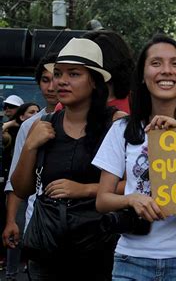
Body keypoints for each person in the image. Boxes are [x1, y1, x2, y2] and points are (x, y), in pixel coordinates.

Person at [93, 34, 176, 280]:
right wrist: (132, 199)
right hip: (131, 259)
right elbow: (102, 200)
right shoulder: (122, 130)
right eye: (156, 63)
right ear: (142, 74)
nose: (167, 71)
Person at [11, 38, 125, 280]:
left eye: (73, 74)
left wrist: (84, 189)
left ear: (94, 81)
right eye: (58, 73)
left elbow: (135, 185)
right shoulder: (43, 125)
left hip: (100, 250)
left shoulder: (116, 123)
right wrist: (30, 146)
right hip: (48, 249)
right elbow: (22, 189)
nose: (61, 81)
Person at [2, 53, 59, 281]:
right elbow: (16, 182)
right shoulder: (29, 126)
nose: (53, 85)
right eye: (45, 80)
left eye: (59, 76)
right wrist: (11, 221)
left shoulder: (96, 121)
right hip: (39, 227)